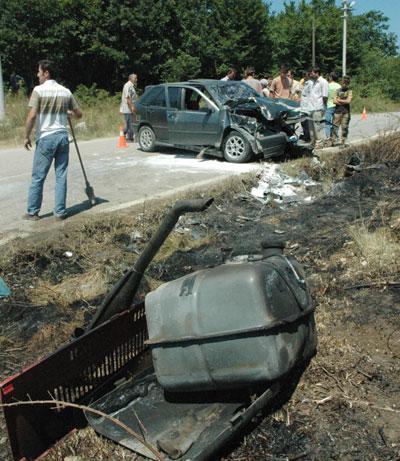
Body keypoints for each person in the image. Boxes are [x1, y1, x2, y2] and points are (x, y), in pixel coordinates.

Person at [24, 59, 82, 221]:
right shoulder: (66, 91)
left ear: (46, 73)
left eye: (39, 71)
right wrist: (69, 113)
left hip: (46, 138)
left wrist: (26, 136)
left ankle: (33, 212)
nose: (37, 75)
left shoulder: (38, 90)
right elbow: (79, 114)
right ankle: (60, 212)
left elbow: (32, 116)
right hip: (63, 137)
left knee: (38, 176)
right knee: (61, 175)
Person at [300, 67, 328, 146]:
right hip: (310, 108)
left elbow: (325, 96)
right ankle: (313, 143)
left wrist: (323, 108)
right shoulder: (312, 82)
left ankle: (320, 143)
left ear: (317, 73)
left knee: (318, 128)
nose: (310, 74)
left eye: (312, 73)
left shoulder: (323, 82)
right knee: (311, 128)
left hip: (318, 108)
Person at [332, 76, 352, 147]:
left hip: (346, 112)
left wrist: (339, 100)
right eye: (343, 83)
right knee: (334, 127)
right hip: (337, 111)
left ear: (348, 84)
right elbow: (334, 101)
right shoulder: (337, 91)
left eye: (346, 83)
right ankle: (333, 141)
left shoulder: (349, 91)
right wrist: (344, 101)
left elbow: (348, 101)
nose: (344, 84)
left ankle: (343, 141)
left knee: (344, 127)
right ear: (341, 83)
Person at [120, 73, 138, 142]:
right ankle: (126, 137)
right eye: (135, 78)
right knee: (128, 124)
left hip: (131, 107)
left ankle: (130, 138)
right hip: (128, 108)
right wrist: (132, 107)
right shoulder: (127, 85)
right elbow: (127, 98)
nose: (136, 79)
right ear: (130, 78)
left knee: (131, 123)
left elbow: (134, 97)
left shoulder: (132, 86)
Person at [324, 72, 341, 144]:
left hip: (329, 106)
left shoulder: (327, 85)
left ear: (331, 77)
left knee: (327, 122)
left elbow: (325, 96)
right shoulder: (339, 86)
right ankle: (335, 137)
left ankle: (328, 137)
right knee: (335, 123)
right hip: (337, 106)